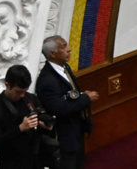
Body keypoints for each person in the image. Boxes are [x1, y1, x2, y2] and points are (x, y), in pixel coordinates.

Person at [35, 35, 97, 169]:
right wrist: (86, 98)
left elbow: (70, 94)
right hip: (65, 138)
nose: (69, 49)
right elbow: (59, 108)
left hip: (76, 131)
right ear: (52, 54)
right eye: (63, 47)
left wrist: (81, 95)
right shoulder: (47, 80)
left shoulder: (65, 67)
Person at [0, 65, 54, 169]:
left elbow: (40, 129)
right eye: (18, 92)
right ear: (7, 84)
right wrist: (20, 128)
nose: (22, 95)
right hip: (9, 163)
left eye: (25, 91)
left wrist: (45, 126)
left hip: (35, 160)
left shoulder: (31, 99)